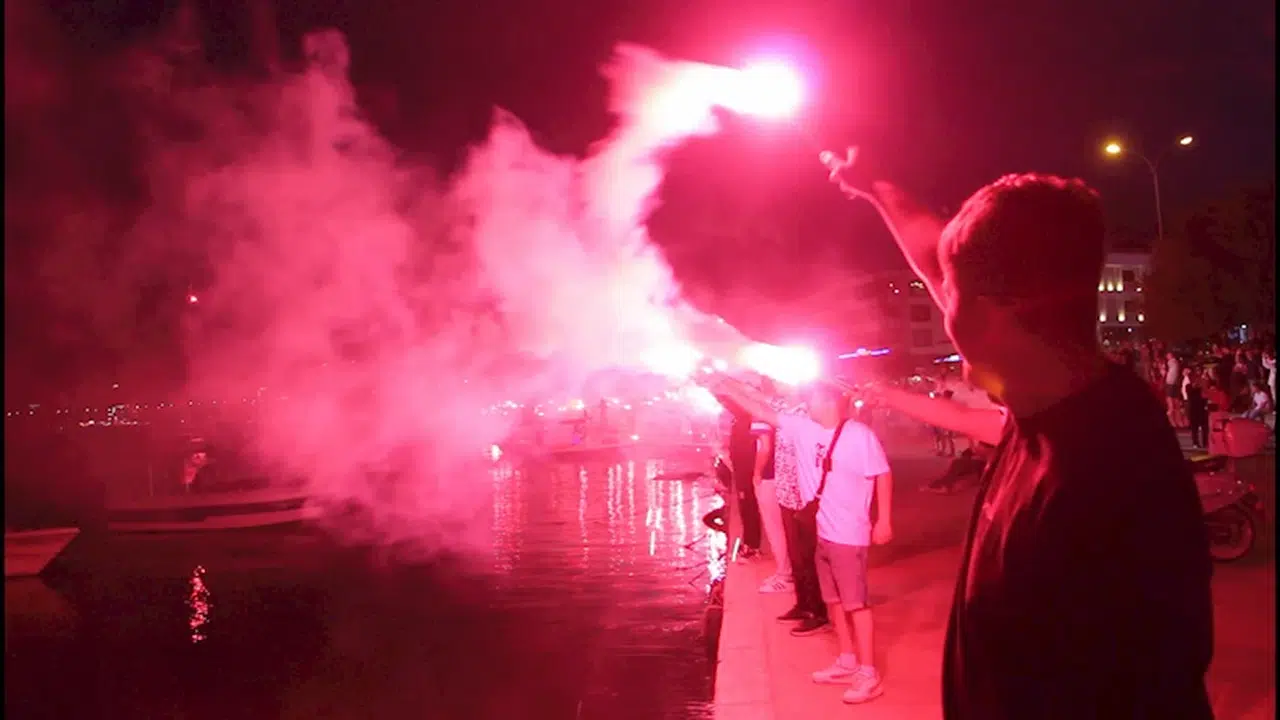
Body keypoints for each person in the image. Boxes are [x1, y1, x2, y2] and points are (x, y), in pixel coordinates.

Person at [844, 171, 1213, 718]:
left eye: (954, 296)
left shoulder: (1102, 481)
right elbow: (941, 266)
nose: (946, 311)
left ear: (1000, 311)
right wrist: (879, 184)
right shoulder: (1053, 404)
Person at [706, 376, 894, 705]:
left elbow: (882, 473)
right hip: (822, 530)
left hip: (849, 534)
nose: (808, 405)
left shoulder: (859, 435)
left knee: (856, 604)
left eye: (814, 400)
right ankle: (847, 660)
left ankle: (868, 673)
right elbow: (761, 410)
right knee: (834, 601)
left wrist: (884, 520)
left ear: (831, 402)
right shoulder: (804, 428)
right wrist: (725, 385)